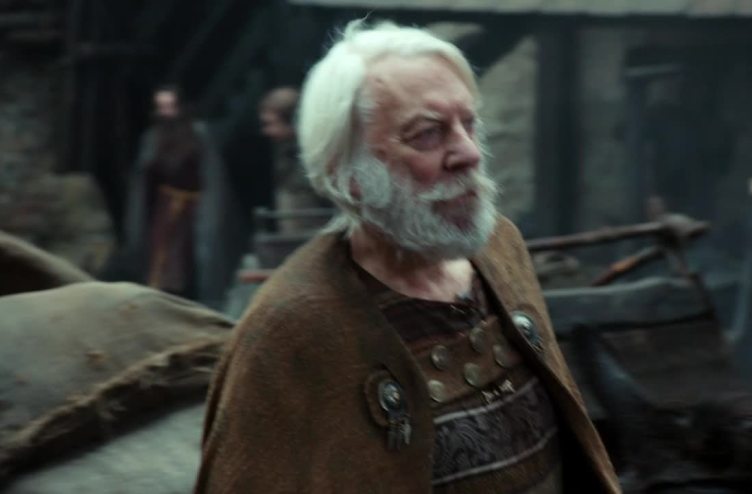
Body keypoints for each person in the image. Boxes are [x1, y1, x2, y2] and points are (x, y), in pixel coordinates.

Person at [195, 21, 620, 493]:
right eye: (427, 134)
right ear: (349, 174)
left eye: (469, 124)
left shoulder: (501, 248)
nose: (468, 153)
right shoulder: (289, 329)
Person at [125, 85, 243, 307]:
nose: (166, 113)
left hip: (193, 210)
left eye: (170, 106)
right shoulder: (152, 138)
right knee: (162, 265)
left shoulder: (199, 134)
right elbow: (145, 181)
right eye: (161, 107)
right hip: (164, 210)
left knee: (193, 262)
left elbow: (211, 176)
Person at [259, 86, 330, 233]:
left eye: (271, 124)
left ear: (293, 121)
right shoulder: (284, 152)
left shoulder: (317, 156)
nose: (266, 132)